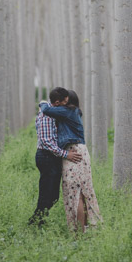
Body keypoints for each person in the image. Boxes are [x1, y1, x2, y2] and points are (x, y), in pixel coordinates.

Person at [40, 89, 103, 232]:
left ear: (68, 102)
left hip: (73, 152)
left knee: (75, 194)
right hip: (78, 152)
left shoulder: (68, 111)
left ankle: (79, 232)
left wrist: (42, 103)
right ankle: (86, 228)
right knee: (83, 192)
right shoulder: (72, 113)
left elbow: (46, 110)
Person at [29, 87, 82, 227]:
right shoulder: (47, 116)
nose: (66, 103)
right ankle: (35, 224)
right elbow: (47, 142)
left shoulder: (53, 112)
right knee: (47, 195)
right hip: (46, 157)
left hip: (52, 157)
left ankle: (39, 221)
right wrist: (66, 154)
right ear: (57, 102)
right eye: (65, 101)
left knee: (53, 197)